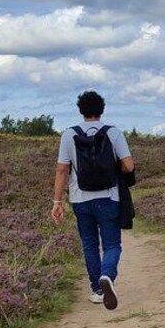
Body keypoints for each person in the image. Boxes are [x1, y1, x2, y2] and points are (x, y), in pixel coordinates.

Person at [51, 90, 134, 310]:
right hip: (109, 197)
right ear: (101, 110)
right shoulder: (114, 133)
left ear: (81, 110)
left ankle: (97, 291)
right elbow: (129, 166)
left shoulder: (69, 134)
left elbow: (62, 170)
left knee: (89, 244)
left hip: (80, 199)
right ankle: (107, 276)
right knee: (112, 244)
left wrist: (57, 202)